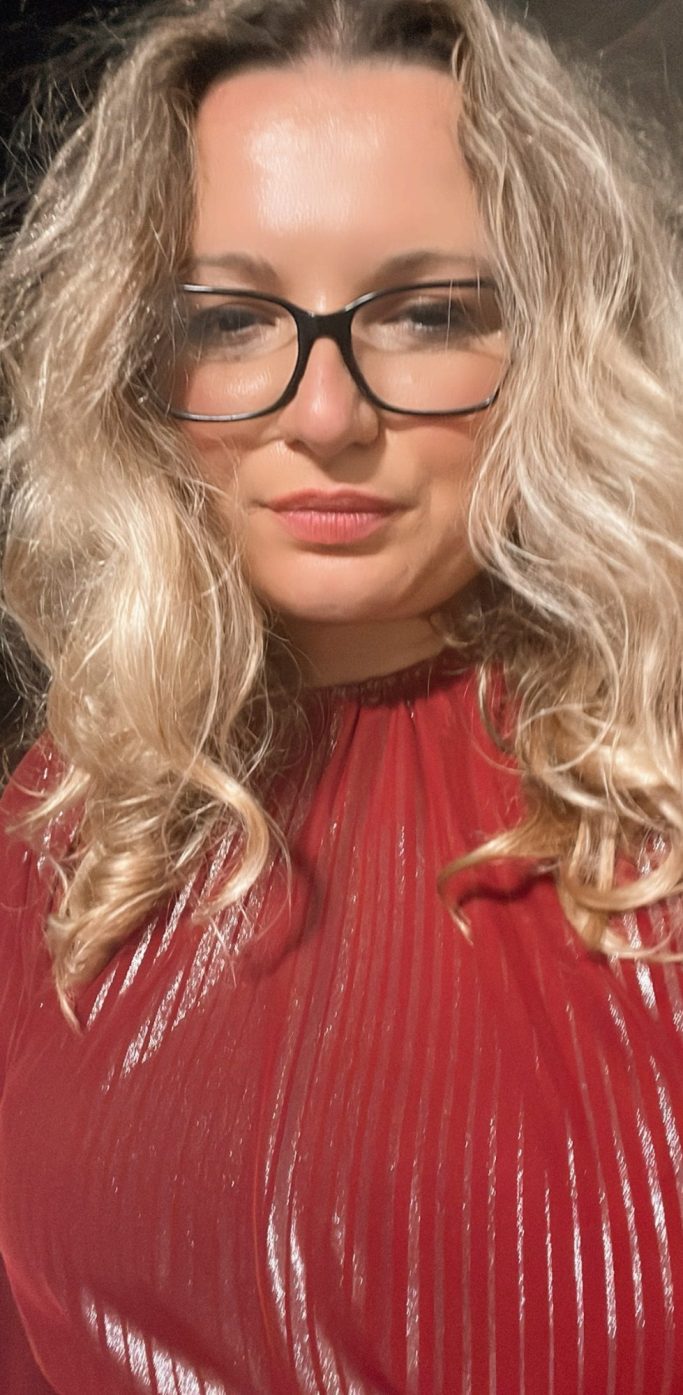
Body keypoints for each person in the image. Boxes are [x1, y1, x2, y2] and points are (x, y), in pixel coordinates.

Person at [1, 0, 683, 1390]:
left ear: (559, 344)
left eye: (428, 314)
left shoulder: (658, 799)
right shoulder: (72, 823)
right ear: (136, 364)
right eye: (230, 318)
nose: (325, 416)